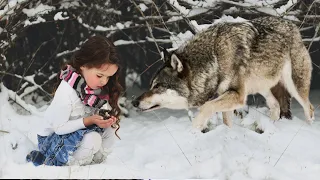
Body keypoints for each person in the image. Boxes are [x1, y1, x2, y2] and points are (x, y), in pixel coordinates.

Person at [26, 35, 123, 166]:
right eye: (100, 75)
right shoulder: (67, 91)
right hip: (52, 142)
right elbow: (59, 128)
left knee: (111, 128)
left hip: (78, 133)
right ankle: (75, 168)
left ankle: (97, 165)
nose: (104, 81)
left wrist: (104, 119)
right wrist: (89, 120)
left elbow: (96, 113)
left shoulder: (96, 87)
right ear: (83, 65)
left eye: (108, 77)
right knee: (93, 138)